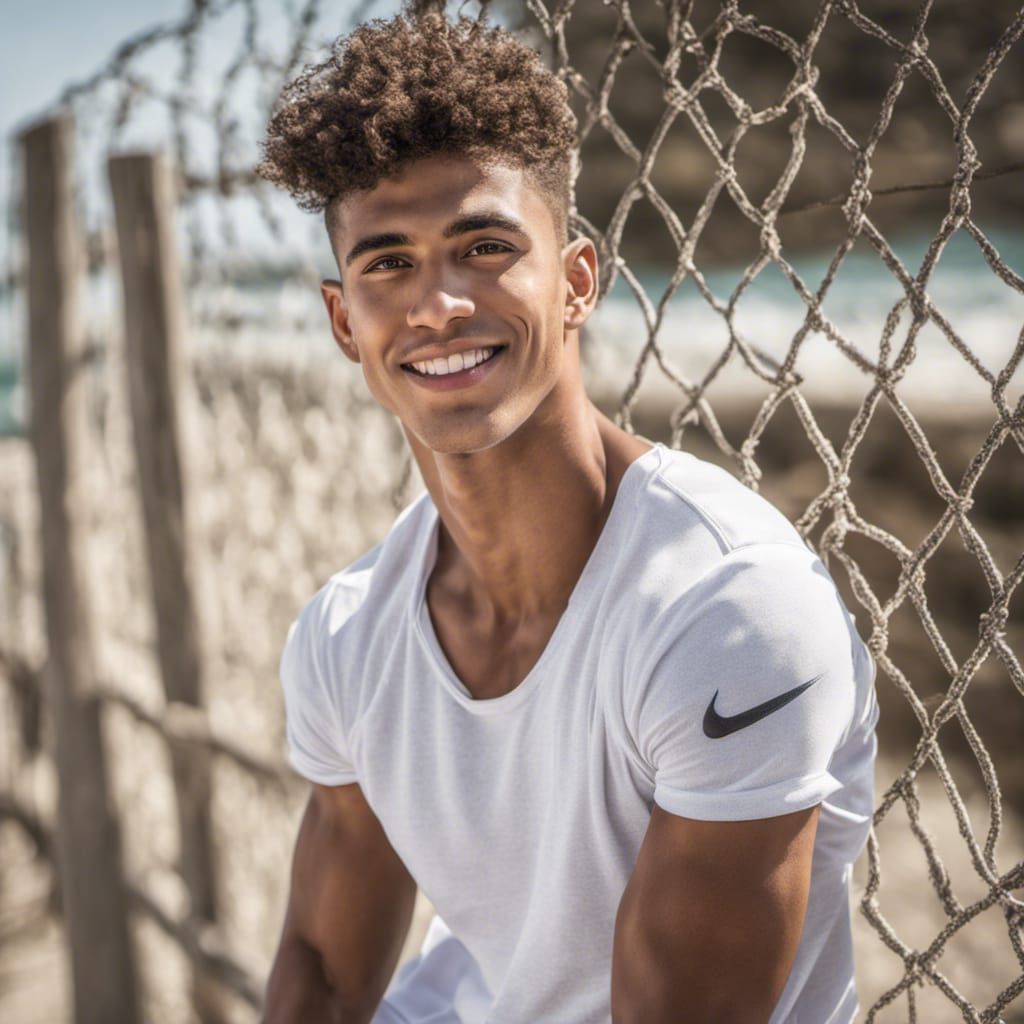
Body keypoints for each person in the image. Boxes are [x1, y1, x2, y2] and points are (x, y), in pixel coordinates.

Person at [257, 6, 880, 1022]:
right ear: (343, 321)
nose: (438, 304)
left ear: (577, 281)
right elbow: (324, 972)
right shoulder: (345, 633)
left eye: (486, 245)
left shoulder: (727, 607)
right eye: (388, 263)